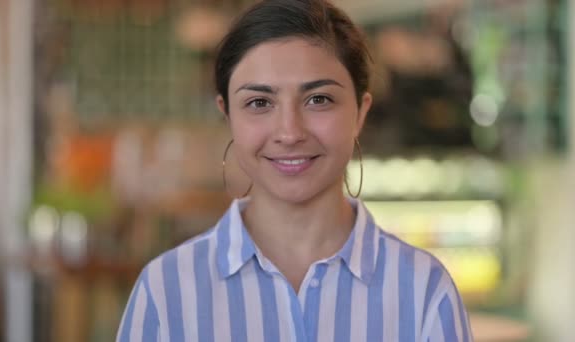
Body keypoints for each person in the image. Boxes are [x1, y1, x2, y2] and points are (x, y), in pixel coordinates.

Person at [117, 0, 472, 341]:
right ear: (227, 115)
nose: (289, 132)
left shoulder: (423, 290)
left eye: (319, 99)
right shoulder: (167, 291)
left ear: (361, 112)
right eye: (259, 102)